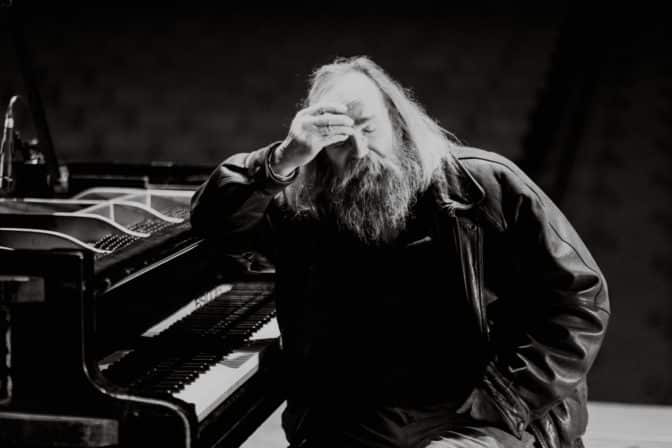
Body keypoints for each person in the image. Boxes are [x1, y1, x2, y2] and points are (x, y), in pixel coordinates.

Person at [190, 56, 609, 448]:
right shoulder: (304, 206)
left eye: (369, 128)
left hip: (480, 408)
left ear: (397, 121)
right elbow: (215, 224)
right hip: (360, 413)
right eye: (338, 138)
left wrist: (505, 400)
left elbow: (578, 300)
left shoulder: (482, 185)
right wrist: (282, 158)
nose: (358, 149)